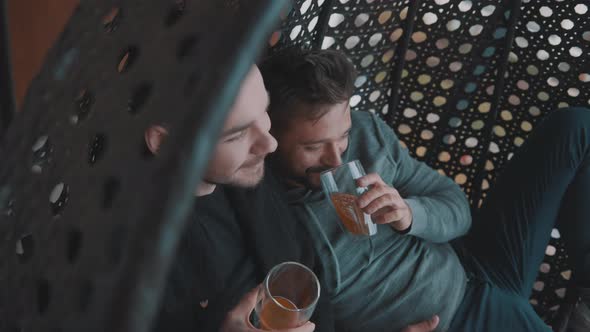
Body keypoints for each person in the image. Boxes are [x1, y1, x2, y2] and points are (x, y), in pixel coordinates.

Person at [260, 47, 590, 331]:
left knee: (575, 129)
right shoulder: (268, 214)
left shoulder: (367, 134)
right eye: (313, 146)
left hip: (472, 261)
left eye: (342, 135)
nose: (336, 158)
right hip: (453, 317)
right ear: (270, 134)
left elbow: (457, 208)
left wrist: (409, 213)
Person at [147, 65, 440, 332]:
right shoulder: (143, 263)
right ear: (164, 143)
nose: (270, 143)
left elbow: (311, 281)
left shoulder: (250, 177)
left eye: (263, 112)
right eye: (236, 135)